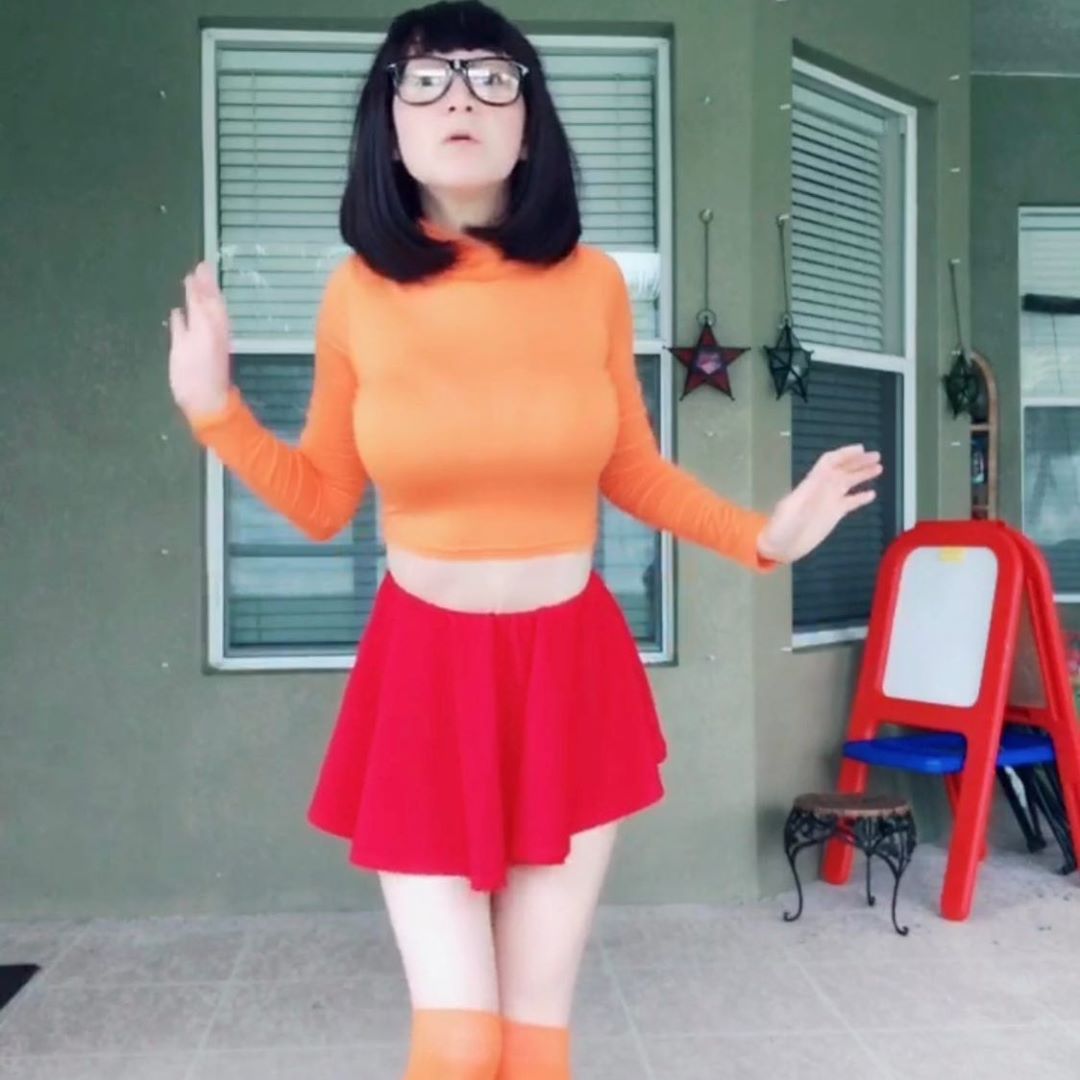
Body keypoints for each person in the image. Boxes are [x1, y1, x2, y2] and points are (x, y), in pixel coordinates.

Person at [167, 2, 882, 1076]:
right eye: (427, 78)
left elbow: (631, 469)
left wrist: (765, 536)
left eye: (492, 76)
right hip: (424, 672)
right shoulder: (357, 295)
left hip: (569, 670)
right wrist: (214, 411)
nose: (460, 96)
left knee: (535, 1037)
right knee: (460, 1041)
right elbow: (322, 500)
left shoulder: (593, 286)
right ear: (388, 127)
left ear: (529, 122)